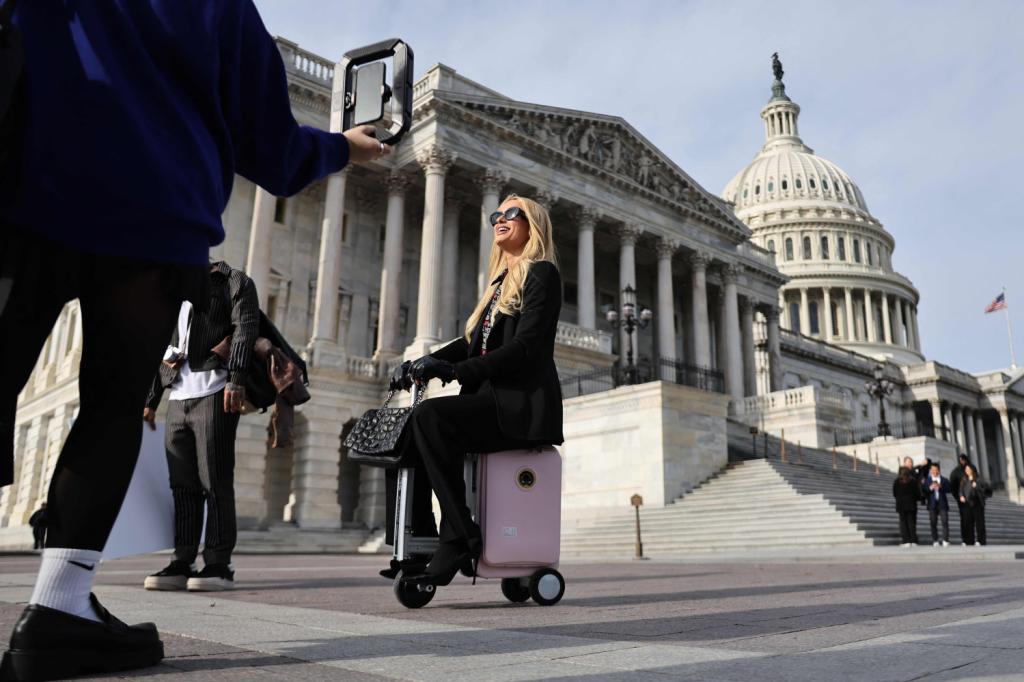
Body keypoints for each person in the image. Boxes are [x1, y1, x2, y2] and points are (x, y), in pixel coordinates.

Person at [0, 3, 388, 679]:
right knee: (111, 407)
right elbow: (274, 149)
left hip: (27, 187)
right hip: (153, 215)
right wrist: (344, 148)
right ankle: (59, 608)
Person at [389, 195, 563, 587]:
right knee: (410, 428)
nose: (501, 219)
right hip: (488, 400)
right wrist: (424, 363)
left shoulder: (542, 275)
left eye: (512, 213)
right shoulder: (501, 282)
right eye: (495, 215)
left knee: (431, 417)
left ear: (533, 224)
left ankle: (460, 535)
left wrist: (452, 371)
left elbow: (524, 348)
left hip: (518, 406)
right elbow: (471, 343)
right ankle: (420, 538)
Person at [142, 261, 258, 592]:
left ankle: (219, 563)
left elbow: (245, 328)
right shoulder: (173, 288)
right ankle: (182, 560)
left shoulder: (233, 281)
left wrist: (236, 378)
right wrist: (151, 399)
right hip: (178, 398)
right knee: (182, 485)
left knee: (215, 480)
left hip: (215, 392)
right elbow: (163, 343)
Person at [958, 463, 991, 546]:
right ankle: (969, 540)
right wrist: (961, 496)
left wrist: (977, 486)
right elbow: (961, 490)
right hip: (967, 503)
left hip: (977, 503)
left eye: (969, 469)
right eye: (966, 470)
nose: (967, 471)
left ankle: (981, 540)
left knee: (979, 523)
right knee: (968, 523)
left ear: (972, 470)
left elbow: (987, 489)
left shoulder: (979, 479)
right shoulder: (964, 479)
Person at [923, 463, 951, 547]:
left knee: (945, 522)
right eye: (932, 470)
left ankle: (945, 540)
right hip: (932, 504)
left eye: (936, 470)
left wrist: (940, 486)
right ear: (930, 470)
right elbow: (924, 490)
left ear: (938, 470)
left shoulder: (944, 479)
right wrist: (931, 487)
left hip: (942, 503)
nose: (934, 471)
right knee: (933, 523)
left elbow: (949, 489)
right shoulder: (927, 480)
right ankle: (935, 540)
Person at [892, 467, 922, 547]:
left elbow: (894, 493)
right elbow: (917, 493)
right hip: (911, 505)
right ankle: (913, 541)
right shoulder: (913, 481)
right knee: (911, 523)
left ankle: (906, 541)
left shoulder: (897, 482)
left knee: (903, 523)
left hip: (901, 505)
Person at [949, 453, 972, 543]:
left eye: (963, 459)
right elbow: (953, 486)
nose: (962, 462)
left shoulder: (971, 469)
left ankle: (971, 538)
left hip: (972, 499)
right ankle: (965, 539)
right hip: (962, 500)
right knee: (964, 519)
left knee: (971, 520)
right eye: (961, 460)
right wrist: (958, 497)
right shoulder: (956, 472)